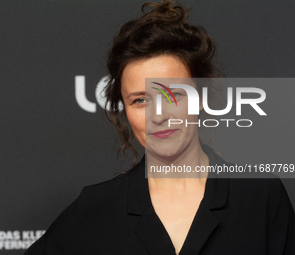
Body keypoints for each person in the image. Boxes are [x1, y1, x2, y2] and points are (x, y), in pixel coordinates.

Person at [24, 1, 295, 254]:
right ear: (125, 110)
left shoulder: (260, 197)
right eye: (140, 100)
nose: (159, 116)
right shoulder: (97, 207)